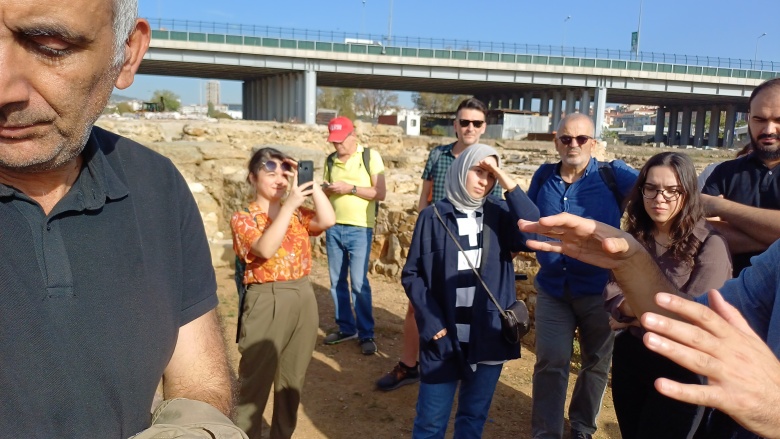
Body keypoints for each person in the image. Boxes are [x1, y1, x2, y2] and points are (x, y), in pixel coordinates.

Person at [0, 0, 235, 436]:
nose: (3, 88)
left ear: (127, 54)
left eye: (50, 45)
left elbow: (199, 380)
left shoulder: (157, 185)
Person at [402, 144, 540, 438]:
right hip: (443, 336)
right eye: (478, 171)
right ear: (462, 169)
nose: (484, 181)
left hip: (487, 335)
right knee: (429, 423)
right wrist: (432, 324)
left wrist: (504, 176)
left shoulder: (500, 214)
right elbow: (412, 274)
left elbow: (534, 229)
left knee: (473, 419)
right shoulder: (433, 216)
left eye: (490, 176)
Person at [603, 152, 732, 438]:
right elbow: (613, 291)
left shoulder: (710, 246)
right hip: (632, 358)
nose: (659, 197)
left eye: (672, 190)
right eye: (651, 188)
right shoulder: (636, 238)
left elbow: (695, 316)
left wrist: (631, 315)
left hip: (681, 366)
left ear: (687, 193)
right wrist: (630, 312)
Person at [377, 97, 502, 391]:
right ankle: (409, 364)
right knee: (417, 307)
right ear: (455, 125)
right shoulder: (439, 155)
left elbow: (494, 207)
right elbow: (426, 198)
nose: (470, 127)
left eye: (477, 122)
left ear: (484, 127)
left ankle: (463, 362)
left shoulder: (488, 160)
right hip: (437, 241)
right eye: (464, 122)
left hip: (472, 246)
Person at [527, 113, 638, 439]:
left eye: (581, 139)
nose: (573, 145)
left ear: (593, 142)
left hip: (600, 291)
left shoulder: (612, 174)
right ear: (555, 140)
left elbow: (656, 194)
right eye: (566, 138)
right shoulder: (544, 175)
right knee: (551, 361)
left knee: (596, 364)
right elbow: (526, 217)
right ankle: (545, 433)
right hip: (552, 289)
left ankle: (581, 429)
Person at [231, 148, 335, 439]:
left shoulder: (300, 215)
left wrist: (311, 185)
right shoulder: (244, 218)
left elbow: (327, 220)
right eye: (270, 171)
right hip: (267, 298)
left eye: (283, 172)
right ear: (252, 177)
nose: (279, 179)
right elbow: (264, 249)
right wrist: (288, 207)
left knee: (292, 381)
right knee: (254, 382)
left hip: (303, 295)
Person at [702, 78, 780, 278]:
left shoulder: (716, 196)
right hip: (729, 298)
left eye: (778, 120)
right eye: (760, 119)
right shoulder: (724, 173)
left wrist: (720, 207)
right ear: (748, 118)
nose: (769, 130)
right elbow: (699, 233)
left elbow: (714, 225)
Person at [322, 116, 387, 355]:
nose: (337, 145)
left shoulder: (369, 156)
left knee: (359, 283)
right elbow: (327, 195)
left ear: (353, 136)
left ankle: (366, 333)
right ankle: (346, 327)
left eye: (340, 140)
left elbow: (380, 193)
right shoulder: (330, 160)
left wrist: (349, 188)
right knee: (336, 281)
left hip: (360, 228)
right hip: (333, 227)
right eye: (334, 141)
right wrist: (325, 190)